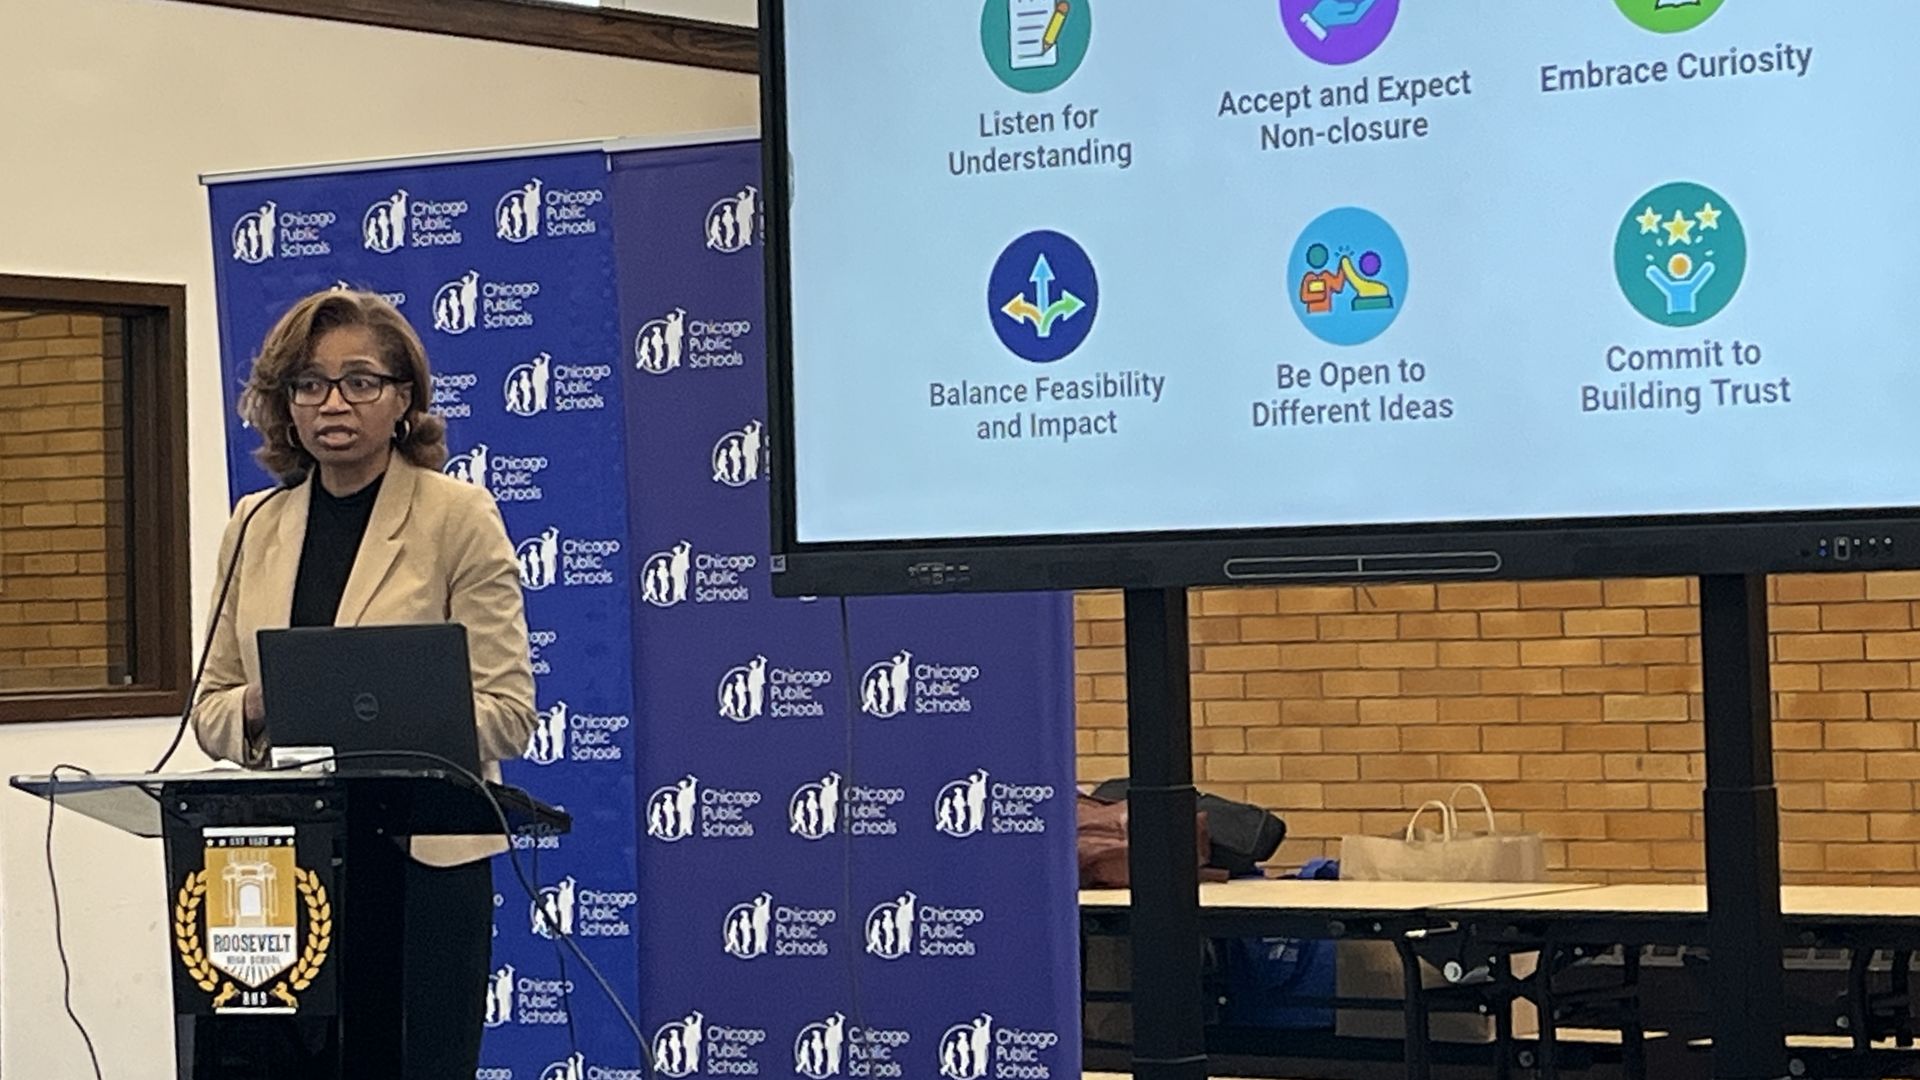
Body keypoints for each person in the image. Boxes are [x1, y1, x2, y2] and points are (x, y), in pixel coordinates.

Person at [192, 287, 536, 1078]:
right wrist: (265, 702)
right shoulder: (255, 524)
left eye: (359, 381)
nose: (331, 403)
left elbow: (509, 714)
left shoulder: (458, 515)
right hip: (282, 869)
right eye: (308, 384)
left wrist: (387, 717)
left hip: (420, 865)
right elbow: (210, 709)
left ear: (404, 397)